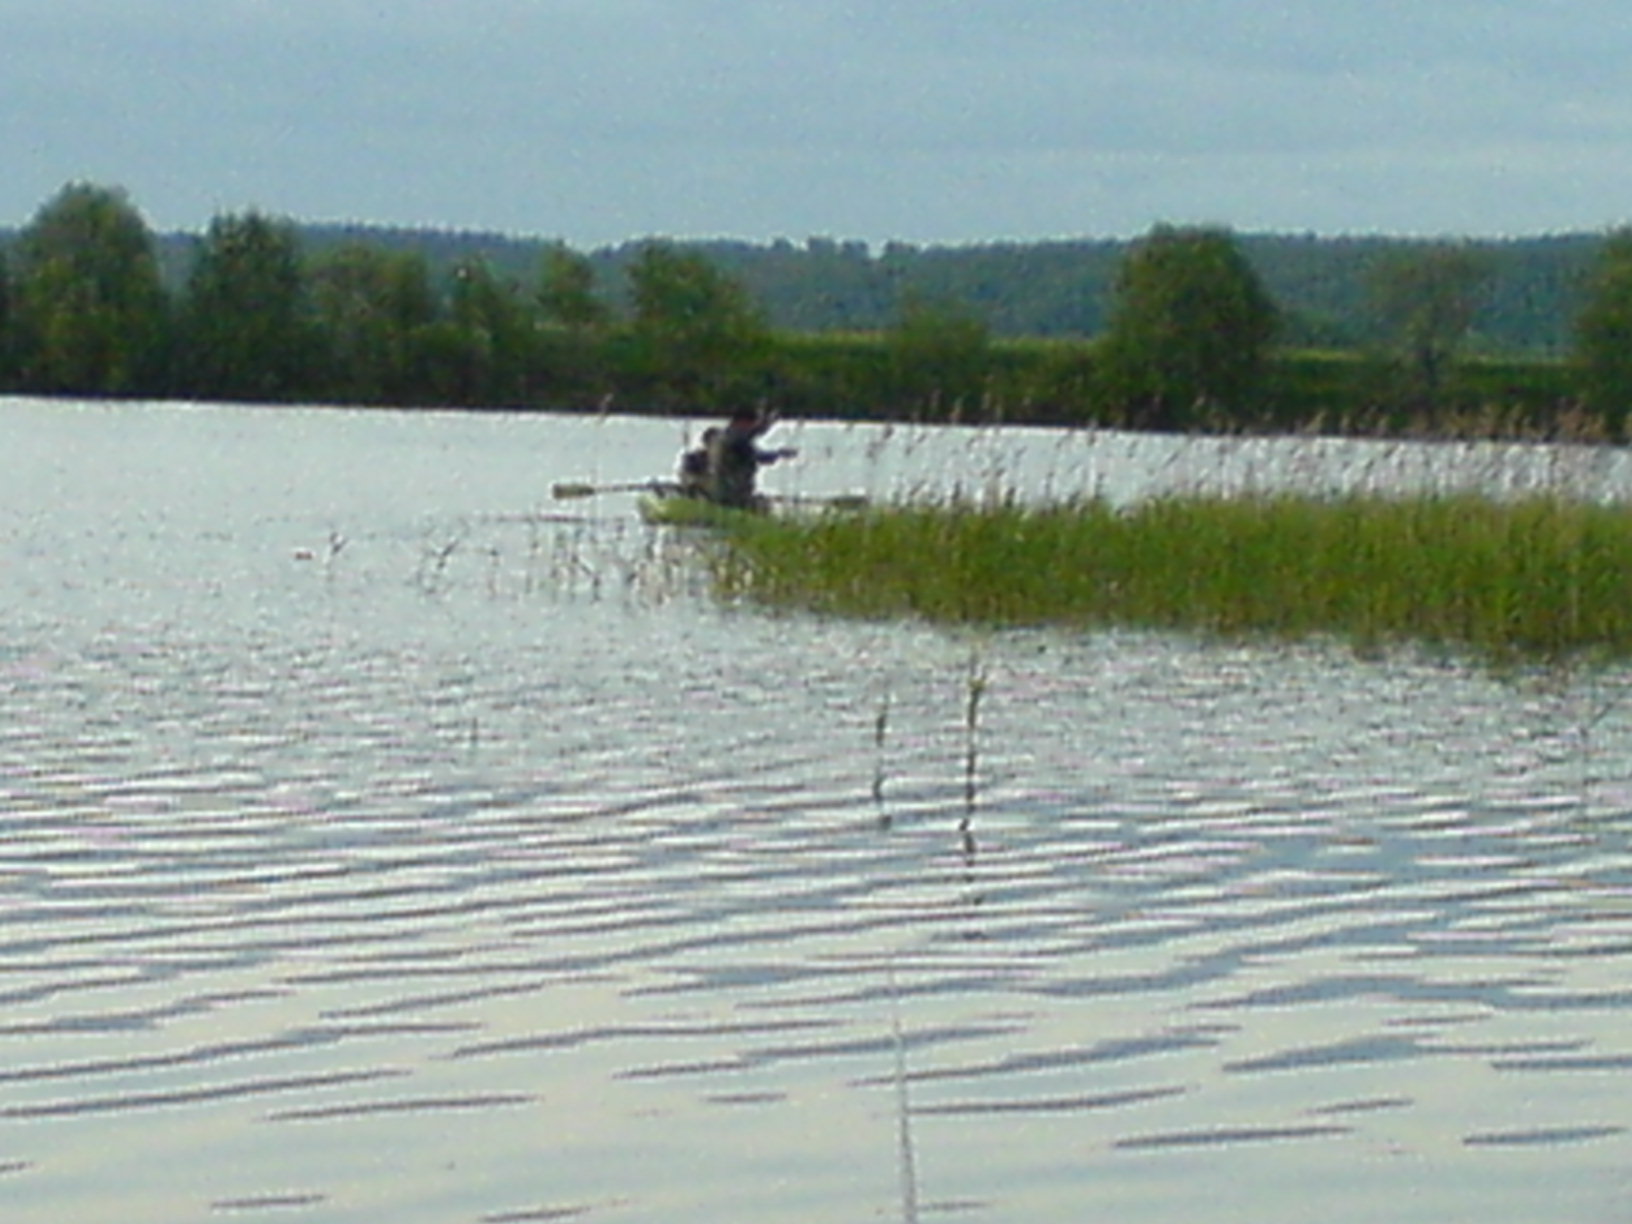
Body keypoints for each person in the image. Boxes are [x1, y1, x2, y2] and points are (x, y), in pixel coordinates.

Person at [705, 406, 797, 509]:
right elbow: (758, 456)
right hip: (732, 492)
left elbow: (753, 436)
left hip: (721, 489)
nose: (753, 427)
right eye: (752, 424)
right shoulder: (736, 439)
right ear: (743, 422)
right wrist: (779, 454)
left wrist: (768, 423)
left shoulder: (725, 436)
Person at [676, 428, 718, 498]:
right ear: (706, 443)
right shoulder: (693, 458)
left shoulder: (729, 460)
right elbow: (685, 477)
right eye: (713, 443)